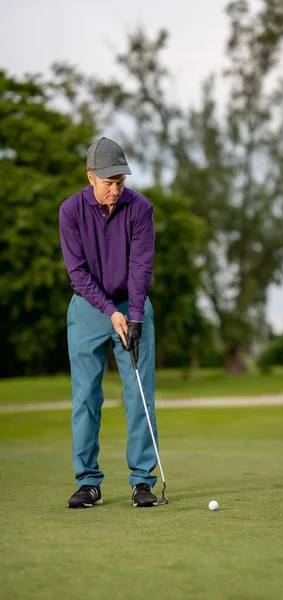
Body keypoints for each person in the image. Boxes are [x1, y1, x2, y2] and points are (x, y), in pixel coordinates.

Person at [59, 137, 159, 508]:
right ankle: (88, 482)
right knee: (85, 397)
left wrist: (133, 315)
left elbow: (141, 267)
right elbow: (78, 273)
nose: (116, 189)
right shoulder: (70, 211)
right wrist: (110, 312)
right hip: (87, 307)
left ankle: (143, 482)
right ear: (90, 178)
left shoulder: (140, 208)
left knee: (139, 395)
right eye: (108, 182)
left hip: (131, 303)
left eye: (121, 181)